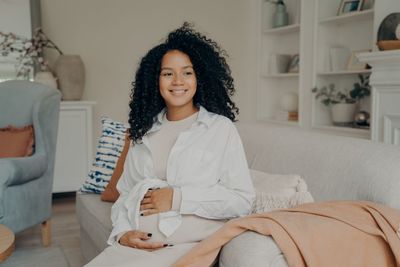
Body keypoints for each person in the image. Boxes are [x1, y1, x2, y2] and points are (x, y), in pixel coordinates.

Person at [85, 22, 255, 267]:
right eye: (167, 73)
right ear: (156, 80)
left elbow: (241, 200)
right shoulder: (144, 131)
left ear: (200, 77)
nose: (178, 81)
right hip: (136, 248)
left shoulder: (220, 129)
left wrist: (177, 198)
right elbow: (126, 195)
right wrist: (122, 234)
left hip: (188, 248)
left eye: (187, 72)